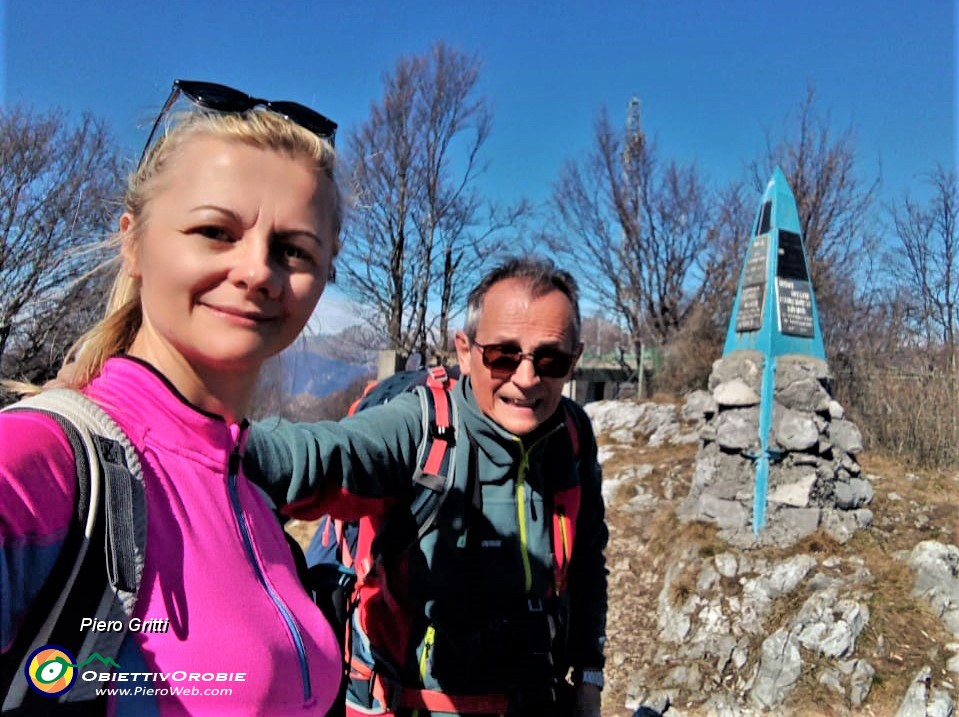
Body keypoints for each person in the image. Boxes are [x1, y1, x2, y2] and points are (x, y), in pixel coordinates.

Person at [0, 80, 344, 715]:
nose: (256, 271)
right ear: (134, 241)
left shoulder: (250, 494)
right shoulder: (40, 463)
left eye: (294, 250)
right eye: (216, 231)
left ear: (325, 274)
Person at [245, 257, 609, 717]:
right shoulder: (424, 428)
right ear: (464, 350)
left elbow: (587, 562)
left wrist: (588, 676)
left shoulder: (572, 437)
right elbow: (322, 454)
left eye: (550, 359)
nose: (526, 378)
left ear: (574, 360)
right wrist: (201, 440)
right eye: (503, 355)